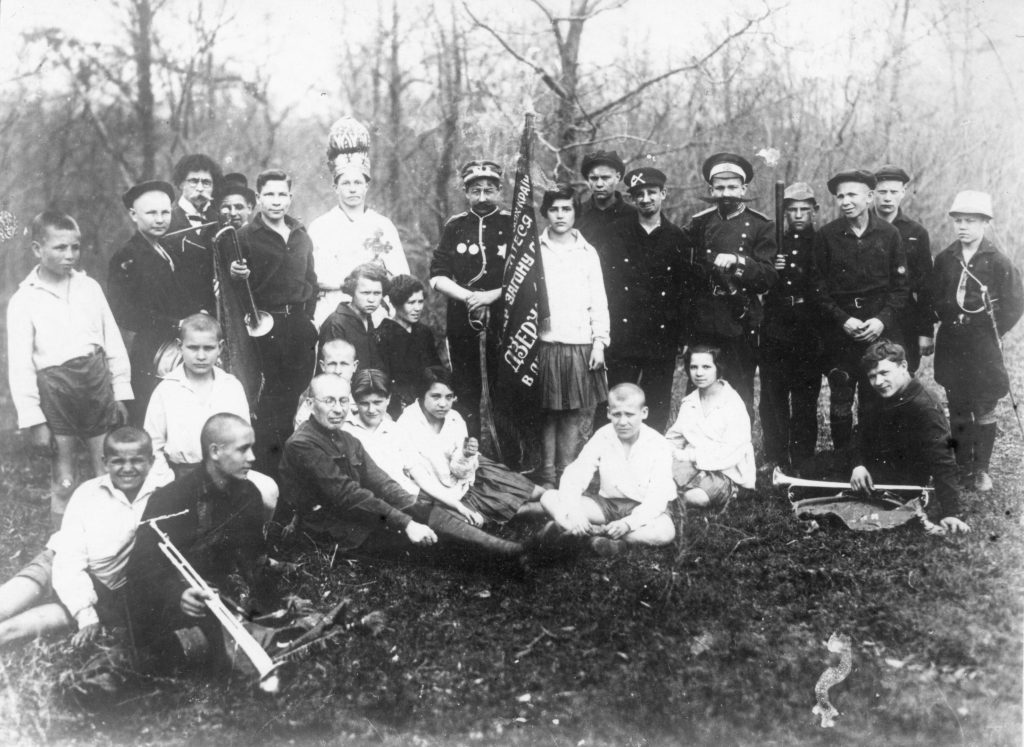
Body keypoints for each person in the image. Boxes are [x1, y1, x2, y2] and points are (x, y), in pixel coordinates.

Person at [279, 374, 527, 569]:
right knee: (421, 546)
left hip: (358, 515)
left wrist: (414, 510)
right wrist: (406, 523)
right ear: (311, 404)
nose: (337, 409)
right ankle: (509, 556)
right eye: (328, 401)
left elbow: (383, 484)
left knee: (422, 510)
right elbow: (347, 495)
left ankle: (511, 550)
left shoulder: (346, 439)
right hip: (333, 530)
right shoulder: (303, 444)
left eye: (343, 401)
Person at [8, 211, 132, 528]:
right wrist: (34, 419)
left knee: (106, 469)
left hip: (95, 386)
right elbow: (20, 365)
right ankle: (61, 549)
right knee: (64, 477)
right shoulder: (24, 299)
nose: (69, 256)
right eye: (60, 248)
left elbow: (112, 341)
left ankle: (110, 541)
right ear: (37, 249)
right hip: (56, 392)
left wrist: (120, 392)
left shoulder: (88, 287)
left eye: (74, 248)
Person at [127, 414, 276, 671]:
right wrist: (177, 594)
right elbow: (141, 565)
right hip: (180, 602)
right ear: (215, 452)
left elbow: (253, 555)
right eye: (243, 449)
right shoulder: (170, 499)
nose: (252, 457)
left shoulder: (249, 494)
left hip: (225, 596)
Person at [0, 427, 168, 648]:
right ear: (104, 462)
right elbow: (68, 558)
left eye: (137, 460)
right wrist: (85, 615)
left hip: (99, 590)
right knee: (4, 606)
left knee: (9, 631)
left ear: (151, 461)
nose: (128, 468)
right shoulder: (87, 493)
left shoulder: (163, 494)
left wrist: (88, 612)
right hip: (54, 566)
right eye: (118, 461)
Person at [929, 191, 1023, 492]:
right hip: (952, 343)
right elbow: (935, 295)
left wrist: (992, 329)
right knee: (957, 403)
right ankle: (962, 465)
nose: (963, 227)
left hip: (983, 345)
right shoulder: (945, 258)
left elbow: (1015, 302)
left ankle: (981, 470)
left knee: (983, 404)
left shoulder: (998, 261)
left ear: (985, 223)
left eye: (970, 221)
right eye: (958, 221)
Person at [810, 169, 909, 454]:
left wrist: (881, 321)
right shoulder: (826, 236)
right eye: (840, 196)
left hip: (879, 334)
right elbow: (817, 289)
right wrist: (843, 320)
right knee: (840, 397)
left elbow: (901, 288)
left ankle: (874, 459)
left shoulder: (890, 235)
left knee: (876, 397)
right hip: (841, 334)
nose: (845, 201)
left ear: (869, 197)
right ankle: (843, 459)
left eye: (852, 194)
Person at [144, 313, 278, 518]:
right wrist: (166, 482)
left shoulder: (231, 386)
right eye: (193, 348)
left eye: (208, 348)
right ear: (180, 346)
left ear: (220, 347)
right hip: (182, 474)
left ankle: (256, 542)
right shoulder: (166, 389)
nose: (200, 356)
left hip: (226, 473)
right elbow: (153, 446)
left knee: (268, 491)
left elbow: (243, 438)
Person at [231, 169, 319, 478]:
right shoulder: (244, 237)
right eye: (269, 194)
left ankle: (293, 468)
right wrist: (235, 275)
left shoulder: (301, 235)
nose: (276, 201)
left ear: (290, 198)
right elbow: (234, 289)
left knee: (297, 396)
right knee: (271, 401)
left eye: (282, 194)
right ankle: (269, 471)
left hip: (298, 325)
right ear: (258, 198)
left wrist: (307, 318)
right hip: (265, 327)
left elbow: (311, 280)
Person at [598, 166, 696, 432]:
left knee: (656, 403)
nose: (645, 199)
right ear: (631, 198)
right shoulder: (615, 233)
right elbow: (604, 284)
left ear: (663, 193)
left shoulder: (678, 238)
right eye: (638, 194)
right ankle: (608, 460)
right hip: (622, 334)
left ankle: (649, 462)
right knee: (616, 399)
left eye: (651, 192)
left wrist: (682, 335)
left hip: (660, 337)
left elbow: (684, 291)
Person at [683, 152, 778, 416]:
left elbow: (767, 277)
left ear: (744, 189)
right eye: (720, 187)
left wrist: (738, 261)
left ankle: (738, 452)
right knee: (699, 387)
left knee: (739, 389)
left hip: (740, 318)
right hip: (703, 318)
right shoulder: (698, 223)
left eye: (732, 187)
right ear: (711, 190)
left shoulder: (761, 226)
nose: (726, 193)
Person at [108, 180, 208, 425]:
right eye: (151, 213)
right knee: (154, 417)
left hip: (183, 345)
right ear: (134, 214)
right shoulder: (127, 256)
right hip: (151, 350)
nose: (160, 219)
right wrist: (175, 323)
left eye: (165, 212)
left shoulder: (169, 248)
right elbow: (124, 313)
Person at [538, 383, 676, 557]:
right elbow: (576, 473)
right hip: (608, 505)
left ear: (644, 413)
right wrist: (574, 511)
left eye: (630, 415)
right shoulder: (603, 435)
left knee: (665, 532)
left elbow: (658, 497)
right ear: (608, 412)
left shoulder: (658, 444)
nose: (623, 422)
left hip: (643, 507)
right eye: (617, 414)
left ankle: (597, 537)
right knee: (549, 497)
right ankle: (592, 534)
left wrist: (628, 523)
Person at [396, 366, 546, 524]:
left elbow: (461, 471)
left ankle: (560, 502)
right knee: (519, 509)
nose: (443, 404)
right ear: (421, 394)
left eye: (449, 397)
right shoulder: (406, 424)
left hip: (470, 472)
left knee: (535, 492)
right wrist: (456, 504)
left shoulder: (455, 418)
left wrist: (466, 455)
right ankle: (551, 511)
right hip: (438, 488)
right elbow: (420, 477)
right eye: (436, 396)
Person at [849, 342, 970, 534]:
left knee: (817, 483)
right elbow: (860, 433)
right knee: (814, 466)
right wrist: (858, 464)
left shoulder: (925, 407)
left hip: (899, 479)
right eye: (872, 376)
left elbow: (944, 461)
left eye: (884, 373)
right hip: (872, 465)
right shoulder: (883, 392)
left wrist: (952, 512)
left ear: (903, 366)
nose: (878, 382)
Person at [429, 159, 511, 441]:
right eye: (476, 191)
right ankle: (470, 454)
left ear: (500, 190)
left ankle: (509, 459)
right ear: (466, 192)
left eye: (489, 190)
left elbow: (529, 274)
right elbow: (437, 275)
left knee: (505, 386)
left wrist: (493, 296)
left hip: (506, 317)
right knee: (465, 389)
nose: (483, 197)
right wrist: (471, 297)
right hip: (463, 316)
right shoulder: (455, 226)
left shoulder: (513, 223)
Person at [534, 185, 610, 486]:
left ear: (575, 213)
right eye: (554, 209)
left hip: (579, 342)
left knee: (572, 412)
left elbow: (599, 300)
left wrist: (599, 342)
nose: (561, 215)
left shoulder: (587, 252)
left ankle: (567, 473)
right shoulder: (534, 250)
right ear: (546, 213)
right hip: (545, 342)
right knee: (547, 411)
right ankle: (546, 474)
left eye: (566, 209)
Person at [345, 369, 487, 526]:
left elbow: (420, 476)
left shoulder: (395, 430)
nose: (371, 410)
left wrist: (458, 505)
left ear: (388, 399)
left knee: (463, 521)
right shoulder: (345, 429)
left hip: (407, 498)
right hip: (370, 503)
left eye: (378, 402)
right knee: (449, 527)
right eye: (364, 403)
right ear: (355, 401)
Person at [309, 116, 410, 327]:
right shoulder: (320, 226)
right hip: (332, 308)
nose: (352, 188)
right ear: (336, 187)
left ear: (367, 186)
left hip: (377, 310)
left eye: (358, 182)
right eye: (345, 183)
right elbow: (314, 275)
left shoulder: (383, 225)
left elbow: (401, 277)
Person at [757, 182, 825, 474]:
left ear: (814, 211)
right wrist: (774, 266)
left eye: (804, 210)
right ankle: (775, 454)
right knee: (772, 396)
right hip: (775, 325)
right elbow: (759, 277)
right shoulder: (773, 242)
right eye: (792, 210)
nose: (798, 215)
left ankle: (803, 457)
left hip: (808, 327)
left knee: (805, 397)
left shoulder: (823, 242)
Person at [666, 345, 755, 507]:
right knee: (655, 479)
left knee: (696, 497)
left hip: (726, 471)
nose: (699, 373)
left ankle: (727, 492)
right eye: (694, 367)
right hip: (693, 466)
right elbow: (674, 438)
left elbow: (732, 451)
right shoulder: (690, 402)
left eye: (706, 367)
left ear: (718, 369)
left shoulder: (732, 402)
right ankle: (672, 495)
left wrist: (691, 456)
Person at [873, 165, 934, 373]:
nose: (888, 198)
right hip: (869, 315)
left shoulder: (916, 232)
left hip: (905, 319)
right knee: (870, 378)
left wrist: (926, 331)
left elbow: (926, 287)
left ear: (903, 193)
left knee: (903, 377)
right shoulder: (862, 227)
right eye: (882, 192)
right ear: (872, 194)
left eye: (893, 192)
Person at [375, 274, 442, 419]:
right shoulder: (384, 335)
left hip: (428, 401)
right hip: (398, 406)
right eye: (411, 303)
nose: (417, 308)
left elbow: (436, 368)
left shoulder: (424, 332)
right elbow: (382, 379)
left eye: (420, 302)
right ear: (396, 303)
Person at [318, 262, 387, 370]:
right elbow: (334, 373)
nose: (371, 300)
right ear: (352, 291)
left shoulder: (368, 319)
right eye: (365, 293)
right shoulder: (336, 323)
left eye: (377, 293)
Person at [574, 150, 636, 253]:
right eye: (593, 178)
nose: (599, 184)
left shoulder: (634, 216)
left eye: (605, 178)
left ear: (617, 177)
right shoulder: (577, 215)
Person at [293, 338, 359, 429]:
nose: (338, 371)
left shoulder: (363, 400)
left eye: (344, 364)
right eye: (332, 364)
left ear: (354, 366)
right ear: (323, 366)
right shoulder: (312, 407)